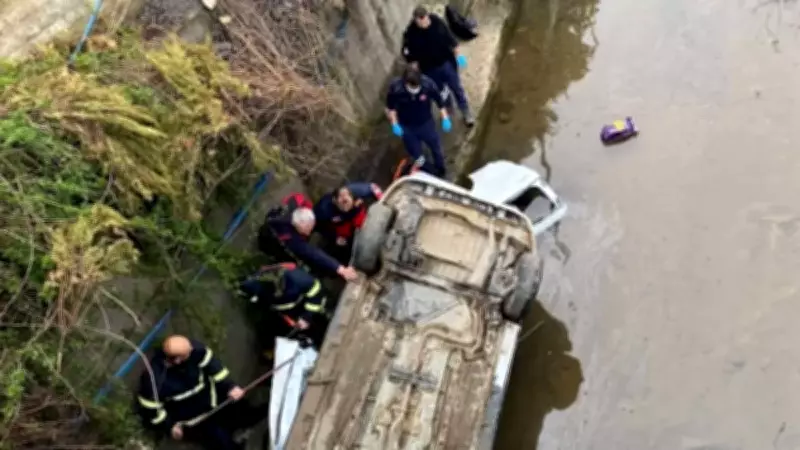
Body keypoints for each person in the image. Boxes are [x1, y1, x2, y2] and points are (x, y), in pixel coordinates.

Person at [136, 335, 266, 450]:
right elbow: (151, 410)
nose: (192, 350)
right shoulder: (154, 380)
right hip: (193, 418)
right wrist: (169, 427)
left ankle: (254, 419)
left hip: (212, 398)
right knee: (220, 440)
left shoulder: (194, 350)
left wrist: (230, 387)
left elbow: (214, 367)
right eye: (188, 353)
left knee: (242, 410)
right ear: (177, 360)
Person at [258, 194, 358, 281]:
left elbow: (319, 225)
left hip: (280, 221)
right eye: (307, 230)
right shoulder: (291, 239)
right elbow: (312, 253)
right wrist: (340, 268)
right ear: (299, 226)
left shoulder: (301, 209)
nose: (309, 232)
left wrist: (334, 237)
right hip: (272, 242)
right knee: (297, 262)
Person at [403, 6, 475, 127]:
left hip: (445, 63)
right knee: (441, 92)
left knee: (456, 87)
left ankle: (465, 109)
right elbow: (408, 53)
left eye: (424, 20)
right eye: (419, 22)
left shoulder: (437, 23)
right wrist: (414, 67)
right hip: (429, 69)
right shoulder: (411, 33)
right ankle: (447, 107)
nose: (423, 24)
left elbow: (450, 38)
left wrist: (458, 54)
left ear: (427, 16)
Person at [239, 262, 330, 348]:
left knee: (320, 325)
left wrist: (307, 316)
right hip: (283, 312)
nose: (276, 293)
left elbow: (317, 295)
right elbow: (247, 292)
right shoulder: (253, 284)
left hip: (305, 306)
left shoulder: (300, 280)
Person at [386, 65, 451, 178]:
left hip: (426, 123)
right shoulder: (396, 89)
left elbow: (440, 103)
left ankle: (441, 169)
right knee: (418, 157)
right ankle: (431, 172)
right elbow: (391, 108)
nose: (415, 90)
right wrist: (395, 124)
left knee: (436, 148)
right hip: (407, 127)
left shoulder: (428, 85)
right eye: (412, 87)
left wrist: (445, 118)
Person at [314, 182, 384, 264]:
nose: (346, 208)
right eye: (343, 207)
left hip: (356, 214)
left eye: (348, 204)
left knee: (367, 225)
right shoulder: (323, 210)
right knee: (345, 244)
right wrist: (334, 237)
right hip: (341, 224)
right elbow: (318, 226)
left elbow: (373, 187)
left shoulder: (356, 190)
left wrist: (382, 200)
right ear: (335, 201)